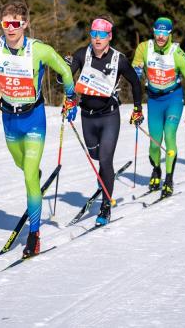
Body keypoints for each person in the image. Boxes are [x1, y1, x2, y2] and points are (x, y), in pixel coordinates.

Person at [0, 0, 75, 258]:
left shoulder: (40, 51)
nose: (10, 28)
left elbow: (65, 71)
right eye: (6, 23)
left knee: (28, 176)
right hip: (9, 119)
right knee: (21, 164)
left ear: (25, 24)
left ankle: (34, 235)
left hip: (34, 117)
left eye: (15, 23)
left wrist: (70, 97)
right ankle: (33, 171)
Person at [68, 16, 143, 225]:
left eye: (102, 34)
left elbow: (136, 84)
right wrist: (64, 71)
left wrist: (137, 109)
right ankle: (104, 177)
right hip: (87, 116)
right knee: (95, 154)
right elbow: (64, 78)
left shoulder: (119, 59)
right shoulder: (82, 54)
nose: (97, 38)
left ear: (109, 36)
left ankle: (105, 207)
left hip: (110, 115)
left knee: (105, 159)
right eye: (94, 34)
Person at [131, 17, 185, 197]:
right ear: (153, 31)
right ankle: (156, 170)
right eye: (158, 32)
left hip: (173, 99)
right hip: (154, 100)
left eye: (165, 33)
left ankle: (168, 179)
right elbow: (134, 71)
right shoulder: (144, 48)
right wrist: (135, 71)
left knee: (169, 135)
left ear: (170, 33)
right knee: (154, 143)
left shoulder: (178, 53)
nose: (161, 37)